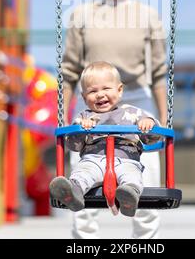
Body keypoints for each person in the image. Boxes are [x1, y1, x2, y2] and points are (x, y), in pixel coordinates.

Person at [61, 0, 167, 238]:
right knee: (81, 170)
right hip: (91, 104)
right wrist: (64, 118)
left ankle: (143, 242)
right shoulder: (81, 13)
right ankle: (85, 242)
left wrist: (164, 119)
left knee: (147, 175)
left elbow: (159, 72)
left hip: (135, 99)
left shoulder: (148, 15)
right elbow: (69, 71)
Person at [50, 61, 162, 217]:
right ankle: (72, 194)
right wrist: (82, 129)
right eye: (92, 91)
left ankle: (128, 196)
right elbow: (74, 145)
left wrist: (148, 124)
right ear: (83, 97)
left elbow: (152, 138)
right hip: (93, 159)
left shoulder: (133, 113)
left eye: (106, 88)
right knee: (82, 174)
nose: (100, 94)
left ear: (120, 90)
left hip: (126, 159)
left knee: (132, 176)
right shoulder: (84, 117)